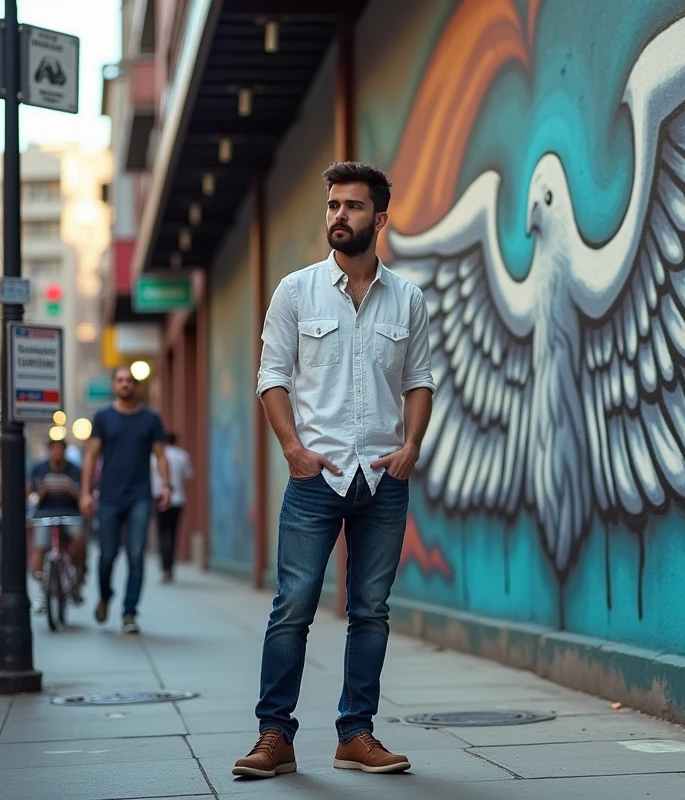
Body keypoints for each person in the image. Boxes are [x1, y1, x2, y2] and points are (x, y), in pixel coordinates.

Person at [232, 162, 434, 779]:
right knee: (293, 605)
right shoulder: (296, 292)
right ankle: (274, 735)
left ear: (380, 217)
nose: (339, 215)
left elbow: (419, 381)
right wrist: (292, 448)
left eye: (352, 205)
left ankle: (356, 734)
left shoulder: (408, 299)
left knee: (371, 610)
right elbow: (272, 376)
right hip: (315, 477)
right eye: (333, 205)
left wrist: (411, 447)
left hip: (382, 478)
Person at [80, 367, 172, 635]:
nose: (125, 384)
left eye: (129, 381)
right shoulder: (103, 417)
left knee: (135, 556)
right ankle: (105, 595)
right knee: (107, 556)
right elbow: (91, 456)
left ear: (136, 386)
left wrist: (166, 486)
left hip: (139, 496)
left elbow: (161, 455)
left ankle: (129, 613)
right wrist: (85, 492)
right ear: (114, 386)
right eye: (120, 380)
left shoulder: (151, 418)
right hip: (109, 496)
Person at [27, 438, 86, 606]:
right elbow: (31, 497)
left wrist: (70, 489)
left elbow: (83, 496)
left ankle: (77, 575)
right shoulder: (38, 469)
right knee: (40, 546)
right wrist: (42, 491)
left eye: (60, 449)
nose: (57, 452)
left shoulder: (75, 470)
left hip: (70, 513)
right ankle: (42, 586)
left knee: (78, 539)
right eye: (54, 449)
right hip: (44, 514)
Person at [150, 432, 193, 583]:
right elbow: (188, 476)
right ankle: (170, 567)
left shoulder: (154, 457)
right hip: (178, 499)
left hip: (159, 497)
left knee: (162, 533)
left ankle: (165, 568)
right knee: (173, 533)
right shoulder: (182, 455)